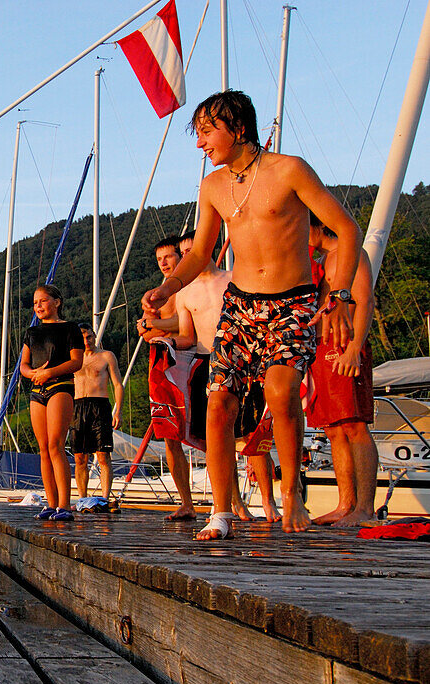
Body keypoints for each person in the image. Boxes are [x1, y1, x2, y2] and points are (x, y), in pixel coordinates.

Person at [143, 90, 359, 540]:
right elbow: (201, 250)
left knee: (281, 395)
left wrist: (340, 294)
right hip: (240, 304)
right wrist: (168, 286)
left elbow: (346, 228)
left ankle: (292, 494)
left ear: (237, 127)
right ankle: (220, 511)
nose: (200, 143)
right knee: (219, 401)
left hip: (292, 301)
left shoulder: (290, 170)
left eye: (206, 132)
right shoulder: (213, 187)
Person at [174, 233, 282, 523]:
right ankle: (232, 503)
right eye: (182, 253)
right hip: (207, 360)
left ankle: (269, 502)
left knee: (253, 436)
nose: (186, 256)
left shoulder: (234, 279)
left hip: (243, 360)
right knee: (216, 440)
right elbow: (187, 336)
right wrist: (164, 341)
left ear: (207, 248)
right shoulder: (184, 293)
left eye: (190, 250)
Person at [307, 213, 378, 526]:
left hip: (345, 344)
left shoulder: (351, 253)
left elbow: (364, 301)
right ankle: (345, 504)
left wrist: (353, 350)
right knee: (333, 429)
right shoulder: (321, 261)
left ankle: (364, 508)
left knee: (354, 426)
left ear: (320, 224)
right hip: (321, 347)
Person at [139, 235, 196, 520]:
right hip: (162, 363)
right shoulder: (156, 294)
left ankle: (233, 501)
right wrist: (152, 326)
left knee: (208, 432)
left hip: (192, 359)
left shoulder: (192, 286)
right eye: (159, 259)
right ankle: (186, 502)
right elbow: (146, 332)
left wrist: (155, 324)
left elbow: (189, 323)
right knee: (168, 435)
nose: (163, 263)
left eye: (168, 257)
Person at [21, 284, 85, 521]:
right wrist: (34, 374)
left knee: (56, 445)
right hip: (37, 389)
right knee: (43, 448)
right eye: (35, 303)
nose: (38, 306)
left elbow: (76, 361)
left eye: (43, 301)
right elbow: (24, 366)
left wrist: (50, 373)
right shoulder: (32, 332)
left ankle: (65, 505)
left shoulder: (70, 329)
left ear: (57, 302)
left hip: (61, 386)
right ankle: (50, 503)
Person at [72, 323, 124, 500]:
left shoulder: (106, 356)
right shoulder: (73, 359)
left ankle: (104, 498)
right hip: (78, 406)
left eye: (89, 337)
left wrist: (118, 411)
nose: (87, 341)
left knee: (103, 456)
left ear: (95, 337)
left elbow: (117, 384)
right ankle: (82, 498)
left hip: (100, 405)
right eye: (83, 338)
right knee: (80, 458)